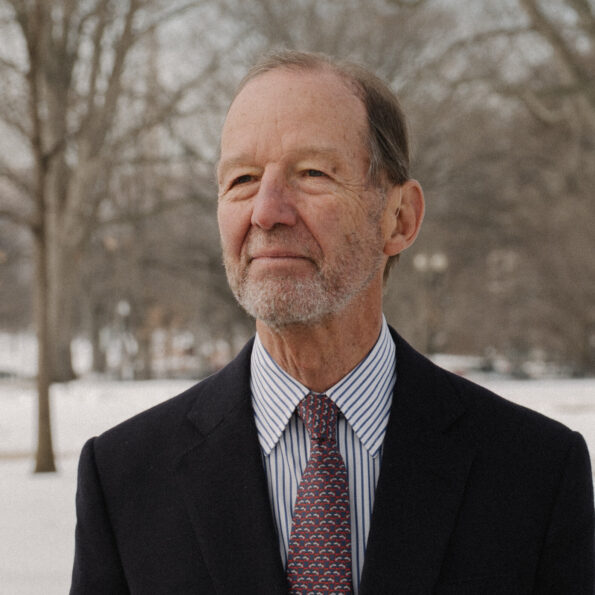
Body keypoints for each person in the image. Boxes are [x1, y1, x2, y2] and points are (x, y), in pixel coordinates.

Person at [70, 51, 594, 594]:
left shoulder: (534, 473)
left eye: (312, 173)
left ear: (400, 218)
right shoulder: (125, 479)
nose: (267, 211)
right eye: (243, 179)